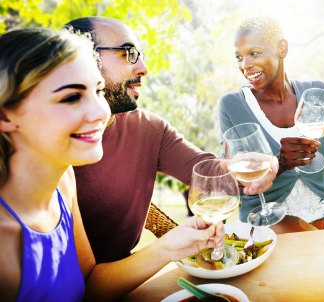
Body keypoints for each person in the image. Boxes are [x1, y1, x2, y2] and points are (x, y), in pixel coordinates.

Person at [0, 28, 223, 301]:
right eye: (71, 97)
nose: (100, 112)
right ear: (5, 114)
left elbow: (89, 287)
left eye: (99, 91)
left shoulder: (62, 182)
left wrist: (169, 247)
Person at [64, 17, 277, 263]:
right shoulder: (48, 145)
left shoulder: (148, 128)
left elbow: (205, 170)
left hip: (129, 277)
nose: (143, 68)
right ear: (83, 59)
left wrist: (237, 167)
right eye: (128, 53)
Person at [218, 16, 324, 233]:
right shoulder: (232, 105)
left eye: (254, 53)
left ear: (281, 48)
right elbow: (234, 180)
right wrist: (280, 163)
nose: (245, 65)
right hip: (267, 218)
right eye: (239, 57)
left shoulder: (318, 93)